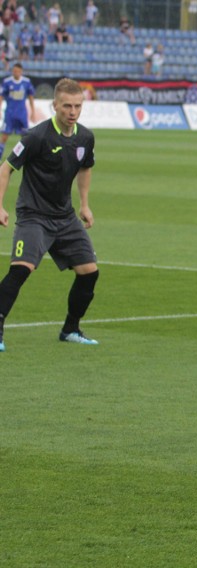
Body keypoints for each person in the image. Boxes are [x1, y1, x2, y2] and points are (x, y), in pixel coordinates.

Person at [0, 78, 102, 352]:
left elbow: (85, 168)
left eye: (77, 106)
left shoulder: (85, 137)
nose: (72, 111)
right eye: (67, 106)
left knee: (89, 272)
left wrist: (84, 204)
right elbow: (6, 168)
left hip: (65, 216)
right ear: (54, 105)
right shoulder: (36, 136)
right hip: (34, 215)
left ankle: (71, 329)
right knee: (22, 269)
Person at [0, 63, 35, 159]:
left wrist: (33, 111)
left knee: (24, 138)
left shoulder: (26, 82)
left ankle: (25, 157)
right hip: (9, 114)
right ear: (12, 71)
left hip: (21, 114)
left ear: (21, 72)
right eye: (14, 71)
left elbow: (31, 97)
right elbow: (1, 96)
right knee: (4, 137)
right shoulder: (7, 82)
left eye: (18, 71)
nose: (16, 73)